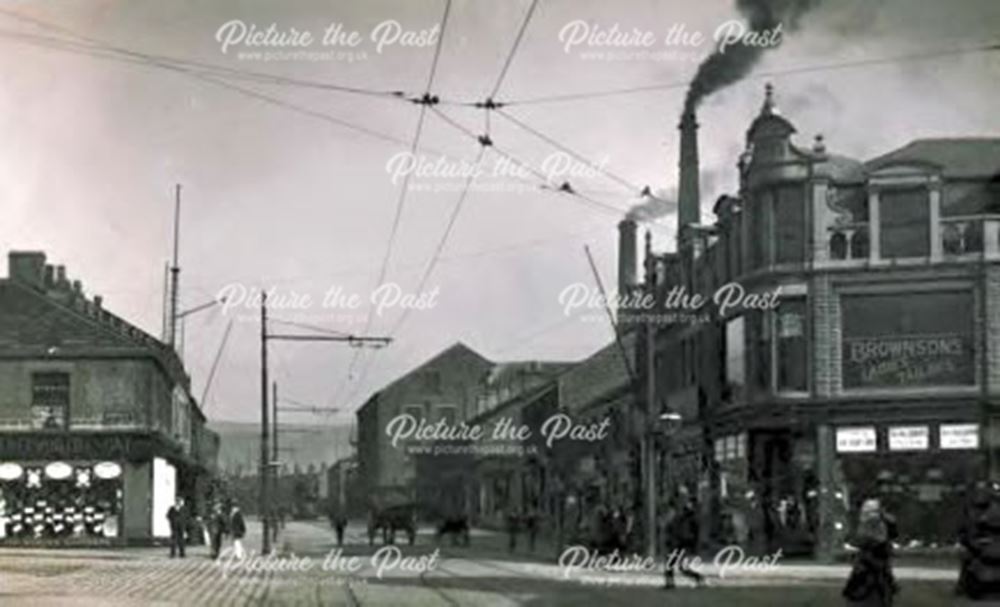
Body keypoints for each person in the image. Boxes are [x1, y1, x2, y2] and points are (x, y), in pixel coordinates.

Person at [842, 498, 898, 606]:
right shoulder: (879, 521)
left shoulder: (871, 522)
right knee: (879, 587)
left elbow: (862, 539)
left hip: (872, 560)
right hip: (873, 560)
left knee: (876, 587)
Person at [663, 499, 705, 589]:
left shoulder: (685, 518)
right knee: (673, 564)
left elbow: (691, 532)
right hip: (680, 542)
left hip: (682, 542)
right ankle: (670, 582)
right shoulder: (680, 518)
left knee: (674, 564)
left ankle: (697, 577)